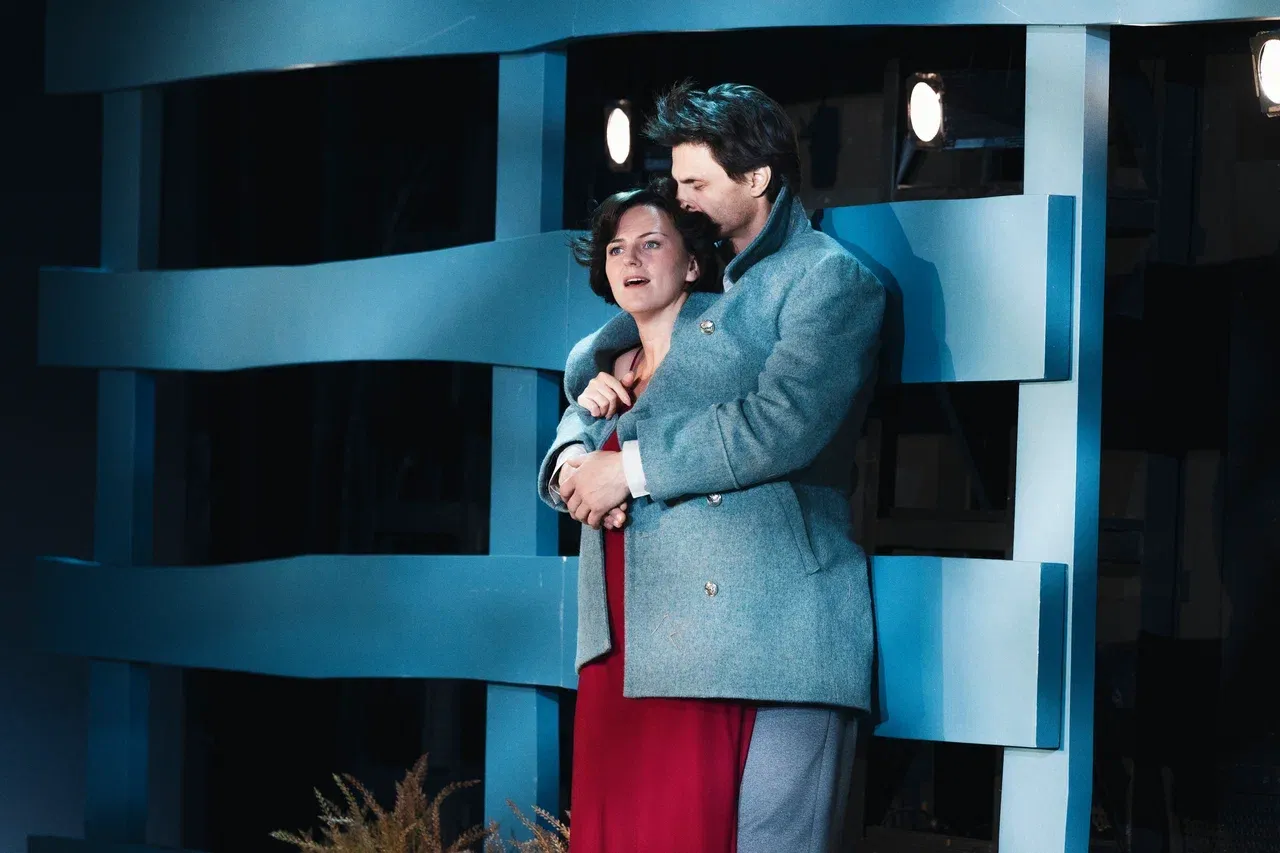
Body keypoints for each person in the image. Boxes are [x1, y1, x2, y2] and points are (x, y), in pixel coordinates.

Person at [541, 81, 885, 853]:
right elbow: (605, 355)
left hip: (787, 630)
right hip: (686, 639)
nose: (680, 198)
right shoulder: (709, 279)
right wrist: (578, 437)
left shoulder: (827, 278)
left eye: (695, 182)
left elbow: (781, 423)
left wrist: (629, 469)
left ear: (756, 177)